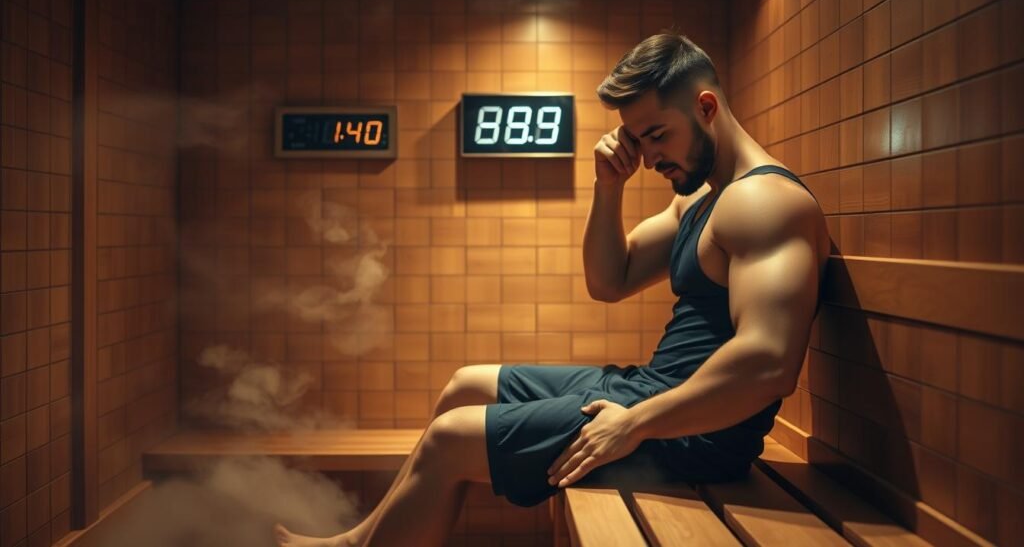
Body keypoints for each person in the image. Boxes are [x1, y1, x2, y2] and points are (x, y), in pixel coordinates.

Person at [274, 31, 830, 547]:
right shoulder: (703, 198)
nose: (651, 156)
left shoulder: (764, 203)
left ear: (706, 108)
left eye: (658, 135)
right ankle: (361, 541)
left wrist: (633, 423)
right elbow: (609, 282)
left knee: (449, 441)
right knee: (466, 386)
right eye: (638, 140)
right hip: (657, 392)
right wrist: (607, 187)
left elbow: (768, 362)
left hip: (695, 434)